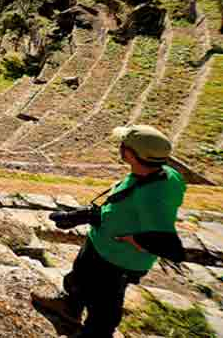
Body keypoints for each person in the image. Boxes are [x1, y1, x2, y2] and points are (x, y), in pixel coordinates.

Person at [32, 125, 186, 337]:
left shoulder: (153, 196)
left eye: (124, 145)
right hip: (100, 243)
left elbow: (169, 246)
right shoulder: (164, 174)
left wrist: (136, 239)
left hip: (117, 261)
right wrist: (87, 215)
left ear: (131, 154)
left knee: (104, 309)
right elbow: (126, 206)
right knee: (78, 279)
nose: (120, 147)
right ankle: (69, 307)